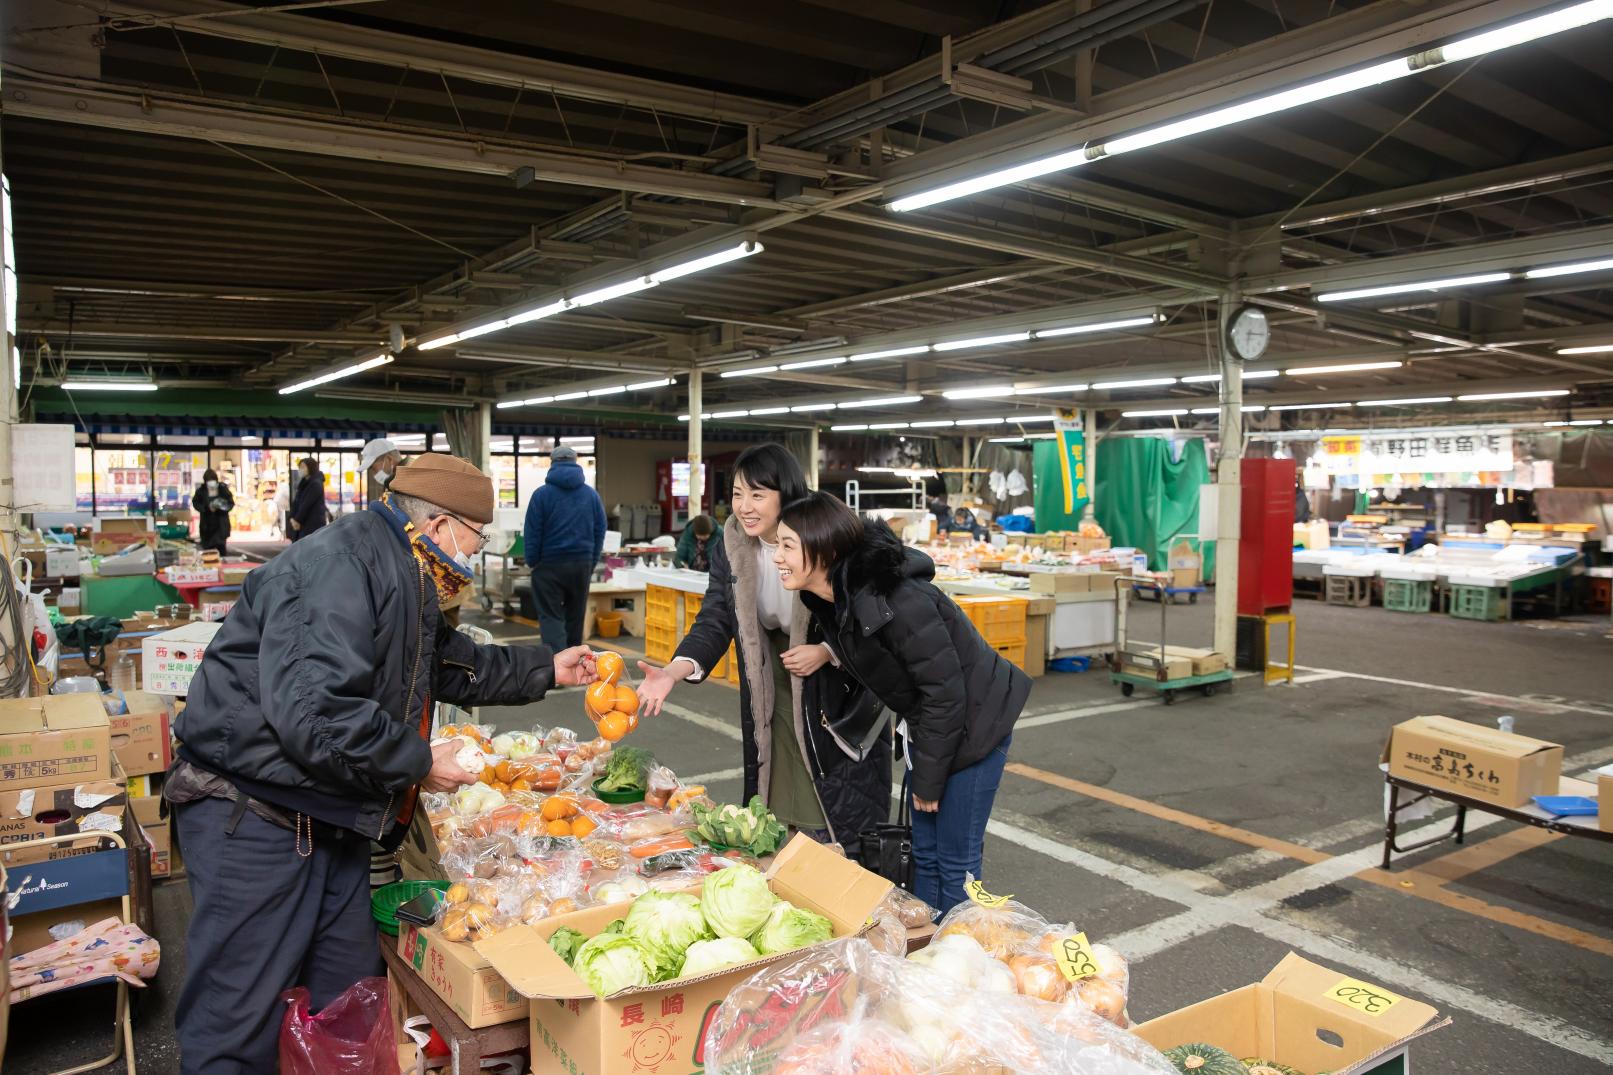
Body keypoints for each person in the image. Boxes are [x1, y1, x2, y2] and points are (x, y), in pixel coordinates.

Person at [165, 454, 598, 1075]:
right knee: (239, 1012)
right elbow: (316, 715)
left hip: (329, 812)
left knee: (349, 996)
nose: (476, 554)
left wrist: (545, 669)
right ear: (442, 524)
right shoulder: (338, 567)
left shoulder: (403, 568)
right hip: (253, 816)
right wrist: (419, 761)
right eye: (477, 537)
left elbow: (444, 662)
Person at [775, 491, 1029, 913]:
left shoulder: (897, 601)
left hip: (977, 725)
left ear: (825, 549)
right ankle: (927, 952)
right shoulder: (833, 599)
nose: (776, 557)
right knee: (924, 854)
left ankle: (959, 957)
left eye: (786, 546)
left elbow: (945, 693)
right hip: (933, 727)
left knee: (956, 864)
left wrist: (928, 774)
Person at [637, 444, 891, 850]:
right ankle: (783, 851)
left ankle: (825, 857)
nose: (745, 507)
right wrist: (673, 671)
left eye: (758, 494)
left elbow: (868, 615)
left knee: (823, 773)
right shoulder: (732, 543)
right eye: (738, 494)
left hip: (834, 671)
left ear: (785, 495)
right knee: (771, 761)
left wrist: (828, 651)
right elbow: (717, 616)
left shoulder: (824, 534)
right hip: (769, 662)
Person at [523, 445, 606, 649]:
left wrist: (532, 561)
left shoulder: (541, 496)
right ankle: (575, 661)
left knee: (551, 616)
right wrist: (591, 561)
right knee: (575, 615)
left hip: (549, 565)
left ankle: (558, 665)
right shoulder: (591, 496)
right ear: (575, 463)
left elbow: (533, 532)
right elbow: (600, 530)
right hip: (581, 564)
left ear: (552, 464)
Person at [191, 468, 235, 556]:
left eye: (213, 480)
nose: (211, 482)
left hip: (221, 524)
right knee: (208, 553)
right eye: (209, 480)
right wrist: (206, 508)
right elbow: (196, 503)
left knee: (221, 550)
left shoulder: (223, 489)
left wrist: (221, 506)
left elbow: (230, 503)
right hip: (207, 525)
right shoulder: (201, 491)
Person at [288, 456, 329, 541]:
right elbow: (296, 502)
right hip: (302, 524)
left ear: (310, 468)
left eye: (303, 467)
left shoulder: (316, 484)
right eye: (299, 467)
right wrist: (292, 517)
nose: (300, 469)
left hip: (311, 525)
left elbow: (306, 504)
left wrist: (297, 520)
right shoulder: (303, 483)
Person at [361, 437, 404, 504]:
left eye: (373, 468)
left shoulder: (409, 482)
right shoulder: (394, 484)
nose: (374, 474)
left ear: (389, 459)